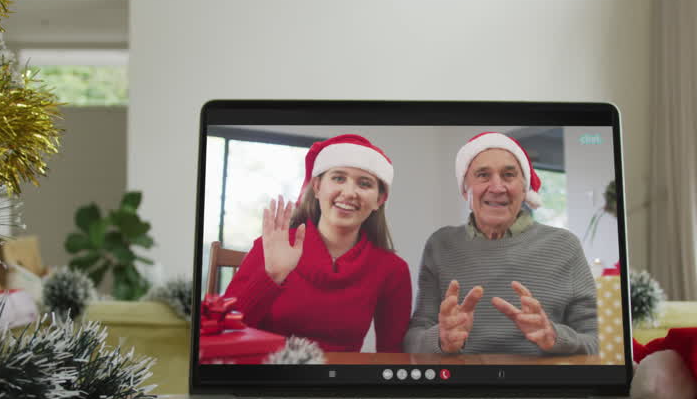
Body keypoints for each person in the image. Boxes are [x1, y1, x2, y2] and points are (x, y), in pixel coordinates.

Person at [403, 132, 598, 355]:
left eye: (508, 175)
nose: (497, 187)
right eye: (483, 175)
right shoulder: (440, 244)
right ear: (465, 188)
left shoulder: (565, 245)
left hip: (543, 386)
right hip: (461, 385)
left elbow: (599, 342)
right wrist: (441, 339)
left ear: (524, 189)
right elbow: (412, 340)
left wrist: (554, 337)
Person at [222, 134, 412, 353]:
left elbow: (392, 357)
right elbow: (223, 331)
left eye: (364, 183)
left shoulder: (393, 270)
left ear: (379, 200)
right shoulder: (274, 245)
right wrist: (271, 277)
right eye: (339, 178)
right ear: (317, 186)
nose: (349, 193)